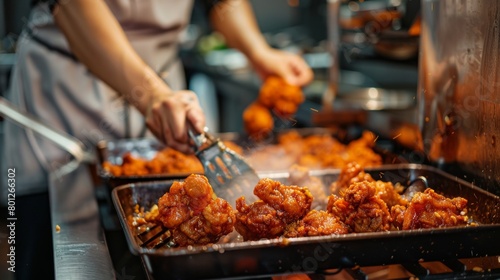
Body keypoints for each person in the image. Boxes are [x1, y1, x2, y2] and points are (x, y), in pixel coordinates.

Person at [1, 0, 313, 200]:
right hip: (65, 90)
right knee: (50, 232)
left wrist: (258, 52)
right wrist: (151, 96)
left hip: (163, 85)